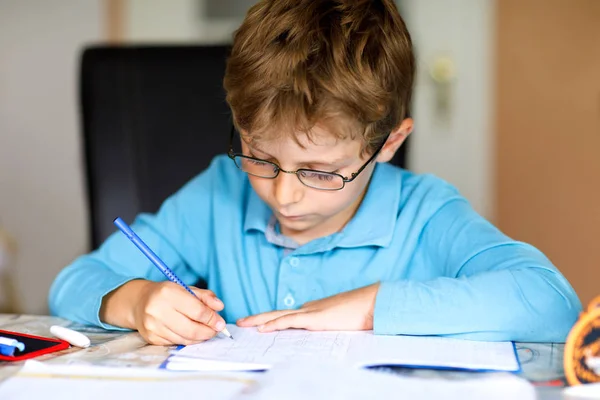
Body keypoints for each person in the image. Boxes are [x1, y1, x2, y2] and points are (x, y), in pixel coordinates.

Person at [49, 0, 581, 346]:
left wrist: (373, 307)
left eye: (321, 172)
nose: (283, 195)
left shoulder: (425, 213)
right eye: (260, 156)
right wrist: (137, 300)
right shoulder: (219, 192)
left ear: (389, 143)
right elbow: (72, 284)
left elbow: (552, 303)